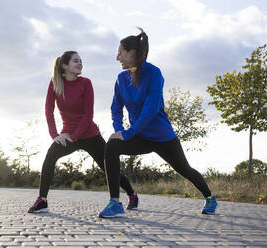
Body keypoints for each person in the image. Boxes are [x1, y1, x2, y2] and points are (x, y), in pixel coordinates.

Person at [98, 28, 218, 218]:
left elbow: (151, 110)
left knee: (184, 169)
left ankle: (210, 197)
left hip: (162, 136)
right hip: (139, 136)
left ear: (132, 53)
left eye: (120, 52)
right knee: (112, 145)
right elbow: (116, 108)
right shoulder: (121, 79)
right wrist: (120, 131)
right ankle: (115, 203)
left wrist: (128, 133)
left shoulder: (154, 73)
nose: (117, 57)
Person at [27, 51, 138, 213]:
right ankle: (42, 200)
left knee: (107, 166)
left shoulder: (86, 83)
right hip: (67, 135)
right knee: (50, 157)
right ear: (65, 66)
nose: (80, 63)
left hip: (89, 134)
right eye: (75, 61)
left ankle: (132, 194)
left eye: (81, 61)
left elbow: (88, 115)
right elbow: (48, 111)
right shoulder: (54, 84)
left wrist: (74, 137)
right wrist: (55, 135)